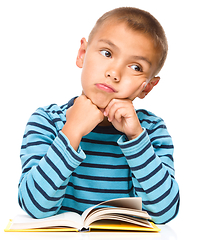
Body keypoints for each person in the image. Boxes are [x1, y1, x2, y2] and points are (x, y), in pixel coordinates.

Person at [18, 7, 180, 224]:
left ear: (147, 87)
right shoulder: (46, 121)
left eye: (135, 66)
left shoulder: (150, 130)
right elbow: (34, 206)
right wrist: (72, 131)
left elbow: (165, 213)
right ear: (82, 54)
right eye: (107, 53)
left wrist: (136, 139)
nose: (114, 73)